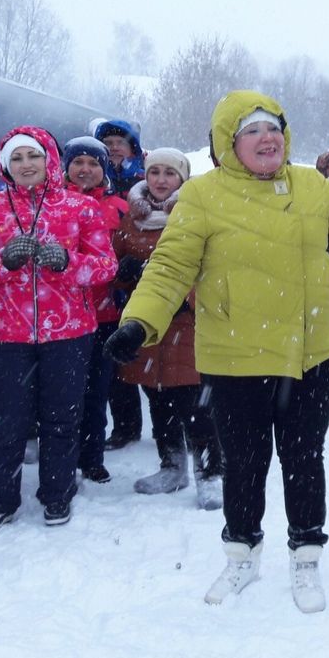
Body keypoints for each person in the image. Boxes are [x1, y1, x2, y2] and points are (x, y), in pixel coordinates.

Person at [105, 91, 329, 614]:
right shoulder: (204, 195)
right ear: (229, 143)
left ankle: (305, 557)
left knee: (304, 460)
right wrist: (138, 324)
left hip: (311, 352)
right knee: (244, 465)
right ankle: (241, 555)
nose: (267, 137)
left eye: (273, 127)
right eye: (252, 130)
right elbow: (169, 268)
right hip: (237, 357)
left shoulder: (310, 184)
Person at [0, 127, 117, 532]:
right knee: (4, 421)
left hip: (69, 333)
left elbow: (105, 266)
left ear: (49, 160)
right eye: (17, 159)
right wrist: (1, 262)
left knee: (62, 418)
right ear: (5, 165)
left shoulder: (80, 207)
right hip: (8, 336)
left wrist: (68, 261)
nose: (26, 165)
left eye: (33, 157)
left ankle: (57, 493)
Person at [112, 147, 224, 508]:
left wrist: (183, 294)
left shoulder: (196, 213)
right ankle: (172, 466)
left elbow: (211, 265)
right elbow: (115, 259)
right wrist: (124, 273)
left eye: (170, 173)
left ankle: (211, 473)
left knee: (196, 407)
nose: (161, 180)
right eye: (154, 172)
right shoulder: (131, 219)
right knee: (157, 399)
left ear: (183, 179)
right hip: (147, 330)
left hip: (187, 325)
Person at [63, 136, 129, 484]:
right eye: (78, 163)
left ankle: (91, 456)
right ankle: (61, 454)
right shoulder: (53, 203)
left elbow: (128, 249)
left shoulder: (119, 206)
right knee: (62, 391)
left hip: (104, 314)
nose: (85, 169)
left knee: (96, 389)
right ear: (66, 167)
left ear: (104, 170)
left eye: (93, 163)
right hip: (62, 316)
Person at [92, 117, 146, 450]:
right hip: (104, 285)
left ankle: (159, 423)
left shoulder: (143, 179)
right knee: (112, 363)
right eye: (107, 143)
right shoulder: (90, 177)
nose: (114, 148)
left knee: (145, 356)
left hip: (137, 277)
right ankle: (124, 426)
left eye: (120, 142)